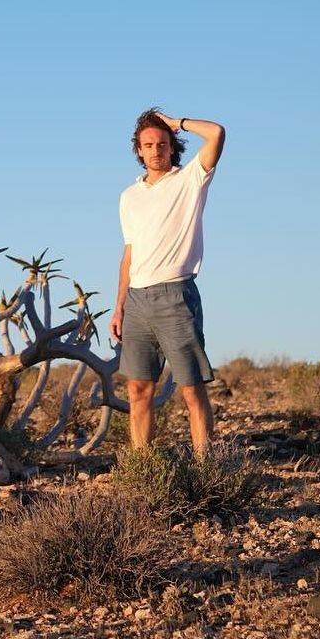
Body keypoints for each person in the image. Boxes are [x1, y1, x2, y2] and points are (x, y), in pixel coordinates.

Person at [108, 109, 226, 453]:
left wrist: (177, 123)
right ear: (139, 151)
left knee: (191, 388)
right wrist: (119, 306)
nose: (156, 149)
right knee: (137, 390)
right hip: (137, 300)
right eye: (149, 144)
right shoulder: (129, 197)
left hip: (176, 295)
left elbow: (217, 133)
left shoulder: (190, 179)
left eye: (162, 143)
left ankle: (207, 470)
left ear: (172, 147)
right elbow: (129, 252)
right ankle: (143, 471)